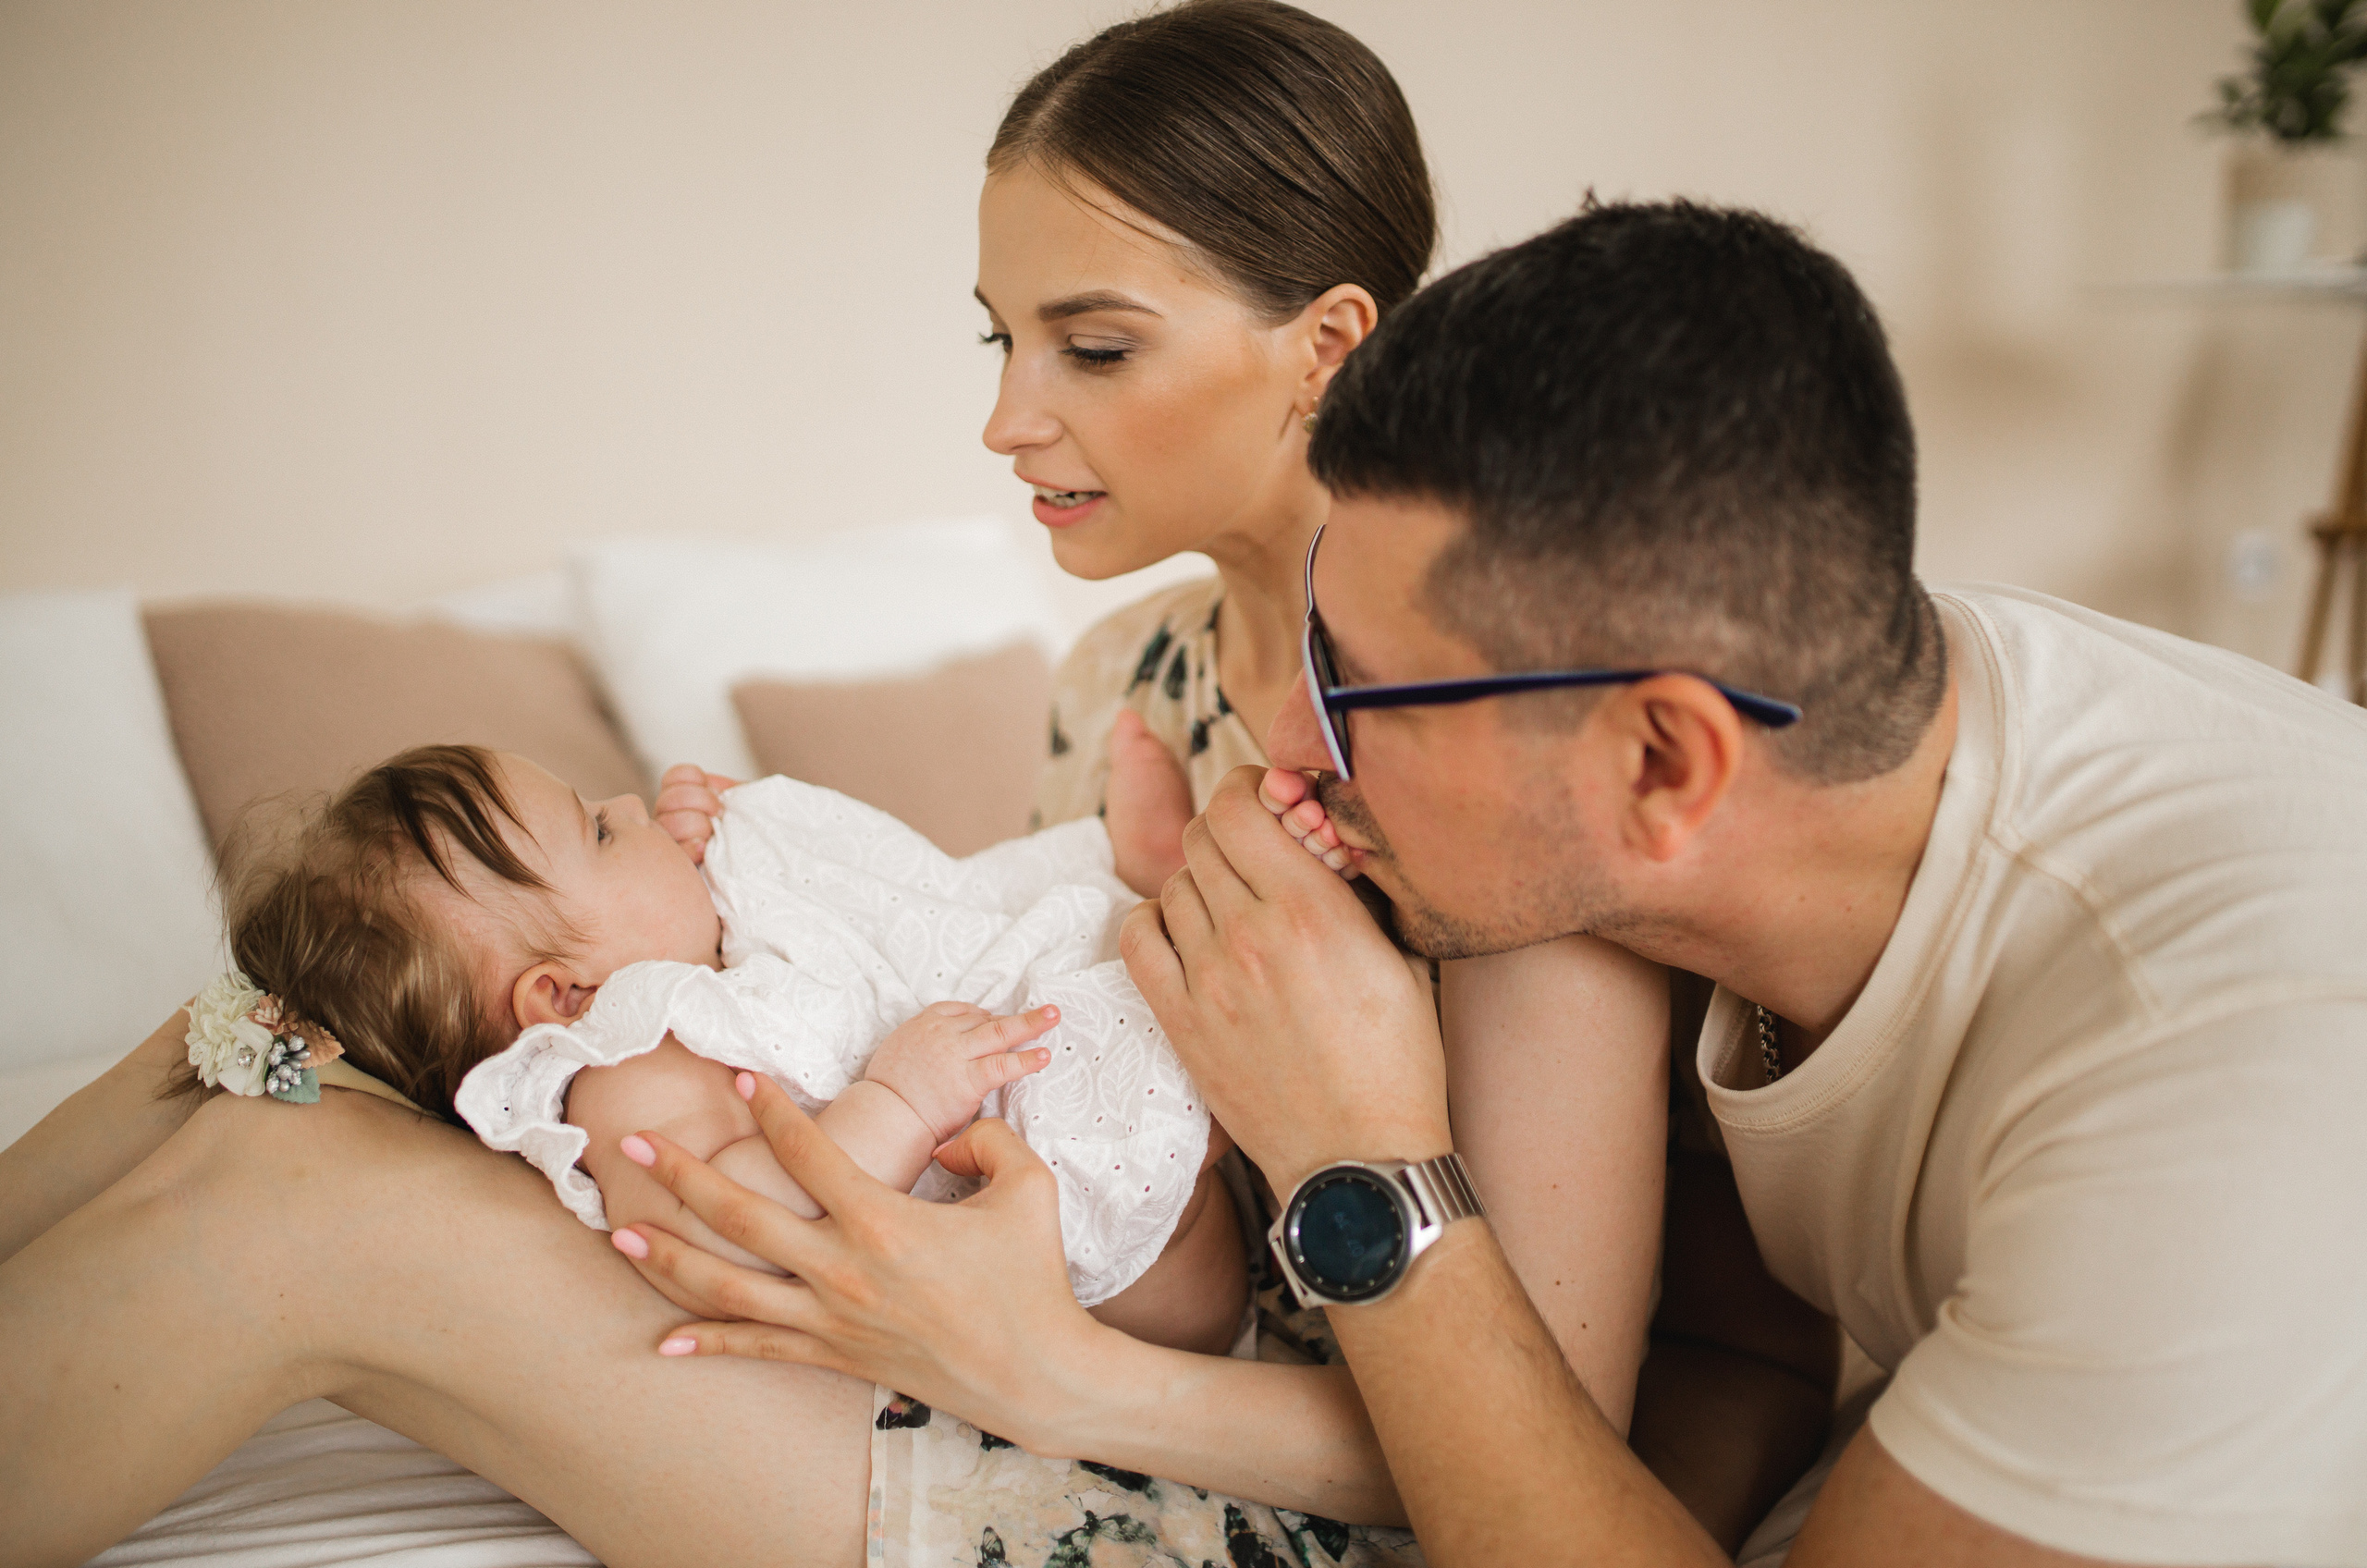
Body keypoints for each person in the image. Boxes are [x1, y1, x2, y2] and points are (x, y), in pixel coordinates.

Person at [0, 7, 1708, 1566]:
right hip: (984, 1350)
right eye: (999, 340)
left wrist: (1034, 1365)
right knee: (283, 1045)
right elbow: (986, 1011)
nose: (1004, 420)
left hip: (1227, 1471)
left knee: (288, 1211)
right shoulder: (1127, 678)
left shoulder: (1486, 735)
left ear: (1326, 344)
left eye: (1091, 349)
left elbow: (1544, 1448)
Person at [624, 202, 2367, 1566]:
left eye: (1361, 694)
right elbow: (1748, 1357)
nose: (1294, 760)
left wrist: (1354, 1156)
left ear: (1663, 762)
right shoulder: (1816, 759)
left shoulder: (2229, 1099)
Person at [178, 741, 1244, 1351]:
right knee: (1143, 1075)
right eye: (600, 831)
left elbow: (891, 922)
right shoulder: (617, 1083)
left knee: (972, 922)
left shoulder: (685, 971)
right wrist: (898, 1106)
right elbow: (728, 1233)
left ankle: (1135, 876)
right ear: (561, 995)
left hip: (1001, 1095)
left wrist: (764, 853)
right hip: (1118, 1311)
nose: (633, 801)